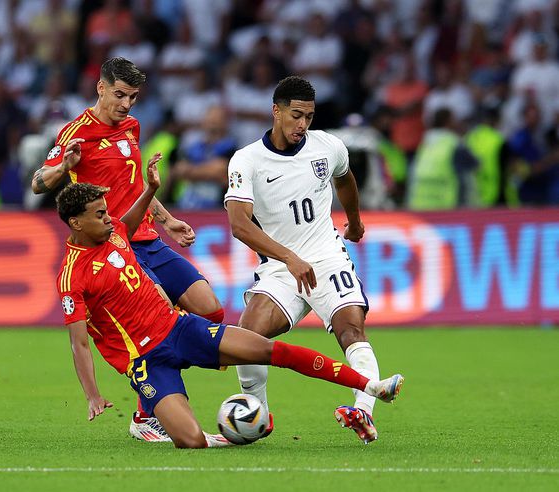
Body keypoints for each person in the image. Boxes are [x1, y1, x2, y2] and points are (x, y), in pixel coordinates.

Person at [56, 159, 404, 449]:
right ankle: (220, 434)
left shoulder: (114, 230)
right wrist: (92, 395)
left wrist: (150, 189)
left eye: (105, 212)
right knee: (189, 441)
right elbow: (79, 342)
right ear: (76, 223)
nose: (107, 217)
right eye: (99, 214)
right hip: (146, 361)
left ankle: (368, 386)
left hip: (181, 329)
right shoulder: (72, 277)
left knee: (272, 351)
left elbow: (128, 221)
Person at [31, 57, 225, 442]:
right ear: (101, 88)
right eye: (120, 94)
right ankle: (145, 412)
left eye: (133, 97)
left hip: (149, 237)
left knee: (209, 308)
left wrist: (167, 220)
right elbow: (39, 182)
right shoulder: (76, 134)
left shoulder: (131, 128)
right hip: (116, 246)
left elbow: (134, 184)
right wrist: (62, 167)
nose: (126, 104)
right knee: (159, 324)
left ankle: (157, 393)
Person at [225, 76, 390, 445]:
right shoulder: (248, 160)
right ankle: (257, 416)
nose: (302, 124)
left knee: (352, 331)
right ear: (276, 111)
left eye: (309, 117)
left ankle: (363, 410)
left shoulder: (328, 146)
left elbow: (344, 179)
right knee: (246, 339)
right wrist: (289, 258)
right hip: (281, 268)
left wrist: (356, 221)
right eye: (296, 115)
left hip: (327, 258)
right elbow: (238, 224)